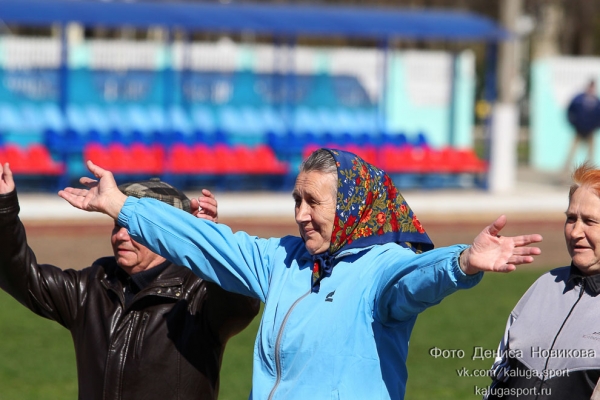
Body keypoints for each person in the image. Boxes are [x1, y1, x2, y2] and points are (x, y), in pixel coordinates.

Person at [58, 148, 543, 400]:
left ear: (350, 207)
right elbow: (205, 243)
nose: (300, 215)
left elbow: (415, 280)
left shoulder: (382, 268)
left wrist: (460, 262)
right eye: (296, 199)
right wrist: (122, 206)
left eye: (314, 202)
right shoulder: (283, 259)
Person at [0, 163, 260, 400]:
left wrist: (207, 243)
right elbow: (18, 275)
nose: (121, 236)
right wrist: (4, 207)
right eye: (117, 224)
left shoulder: (199, 293)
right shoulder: (93, 285)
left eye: (135, 228)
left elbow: (241, 303)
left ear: (167, 234)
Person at [483, 162, 600, 400]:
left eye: (589, 221)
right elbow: (500, 377)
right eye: (571, 219)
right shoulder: (545, 285)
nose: (575, 232)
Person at [563, 80, 600, 175]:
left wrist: (595, 127)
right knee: (571, 154)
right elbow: (570, 111)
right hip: (579, 131)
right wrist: (574, 123)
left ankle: (590, 176)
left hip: (590, 132)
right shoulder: (578, 99)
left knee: (591, 155)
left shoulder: (596, 102)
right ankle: (563, 174)